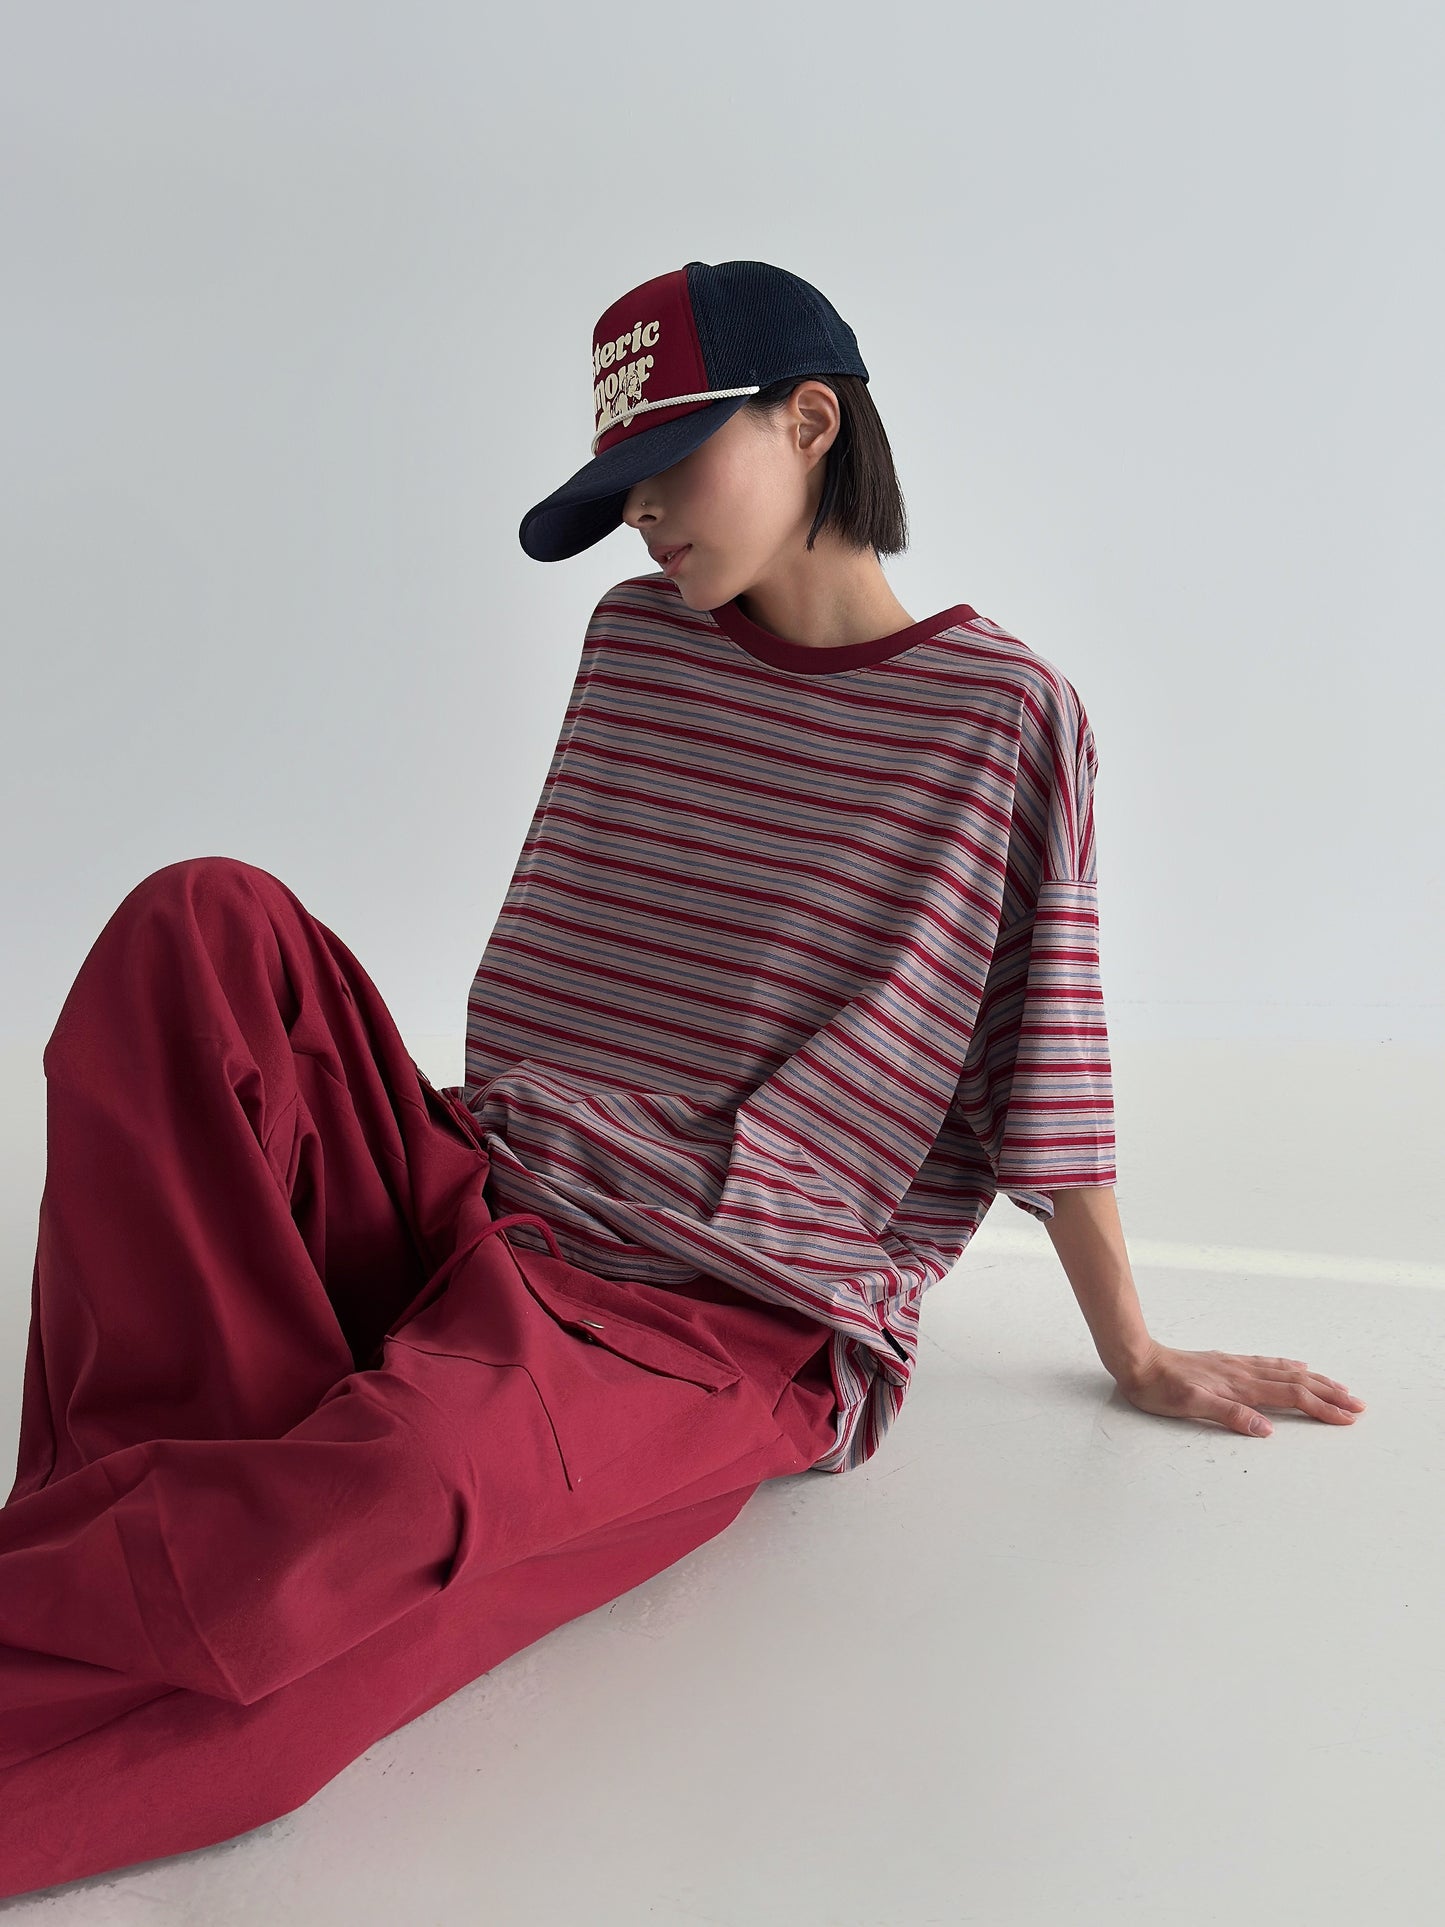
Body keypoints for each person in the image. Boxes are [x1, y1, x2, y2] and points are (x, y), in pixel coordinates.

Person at [0, 257, 1364, 1899]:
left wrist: (1130, 1348)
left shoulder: (1006, 719)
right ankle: (155, 1500)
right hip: (486, 1182)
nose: (642, 517)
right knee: (198, 920)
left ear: (812, 422)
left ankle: (186, 1541)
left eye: (668, 466)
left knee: (402, 1493)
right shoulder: (637, 644)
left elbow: (1045, 1062)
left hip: (717, 1304)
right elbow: (564, 987)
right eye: (619, 484)